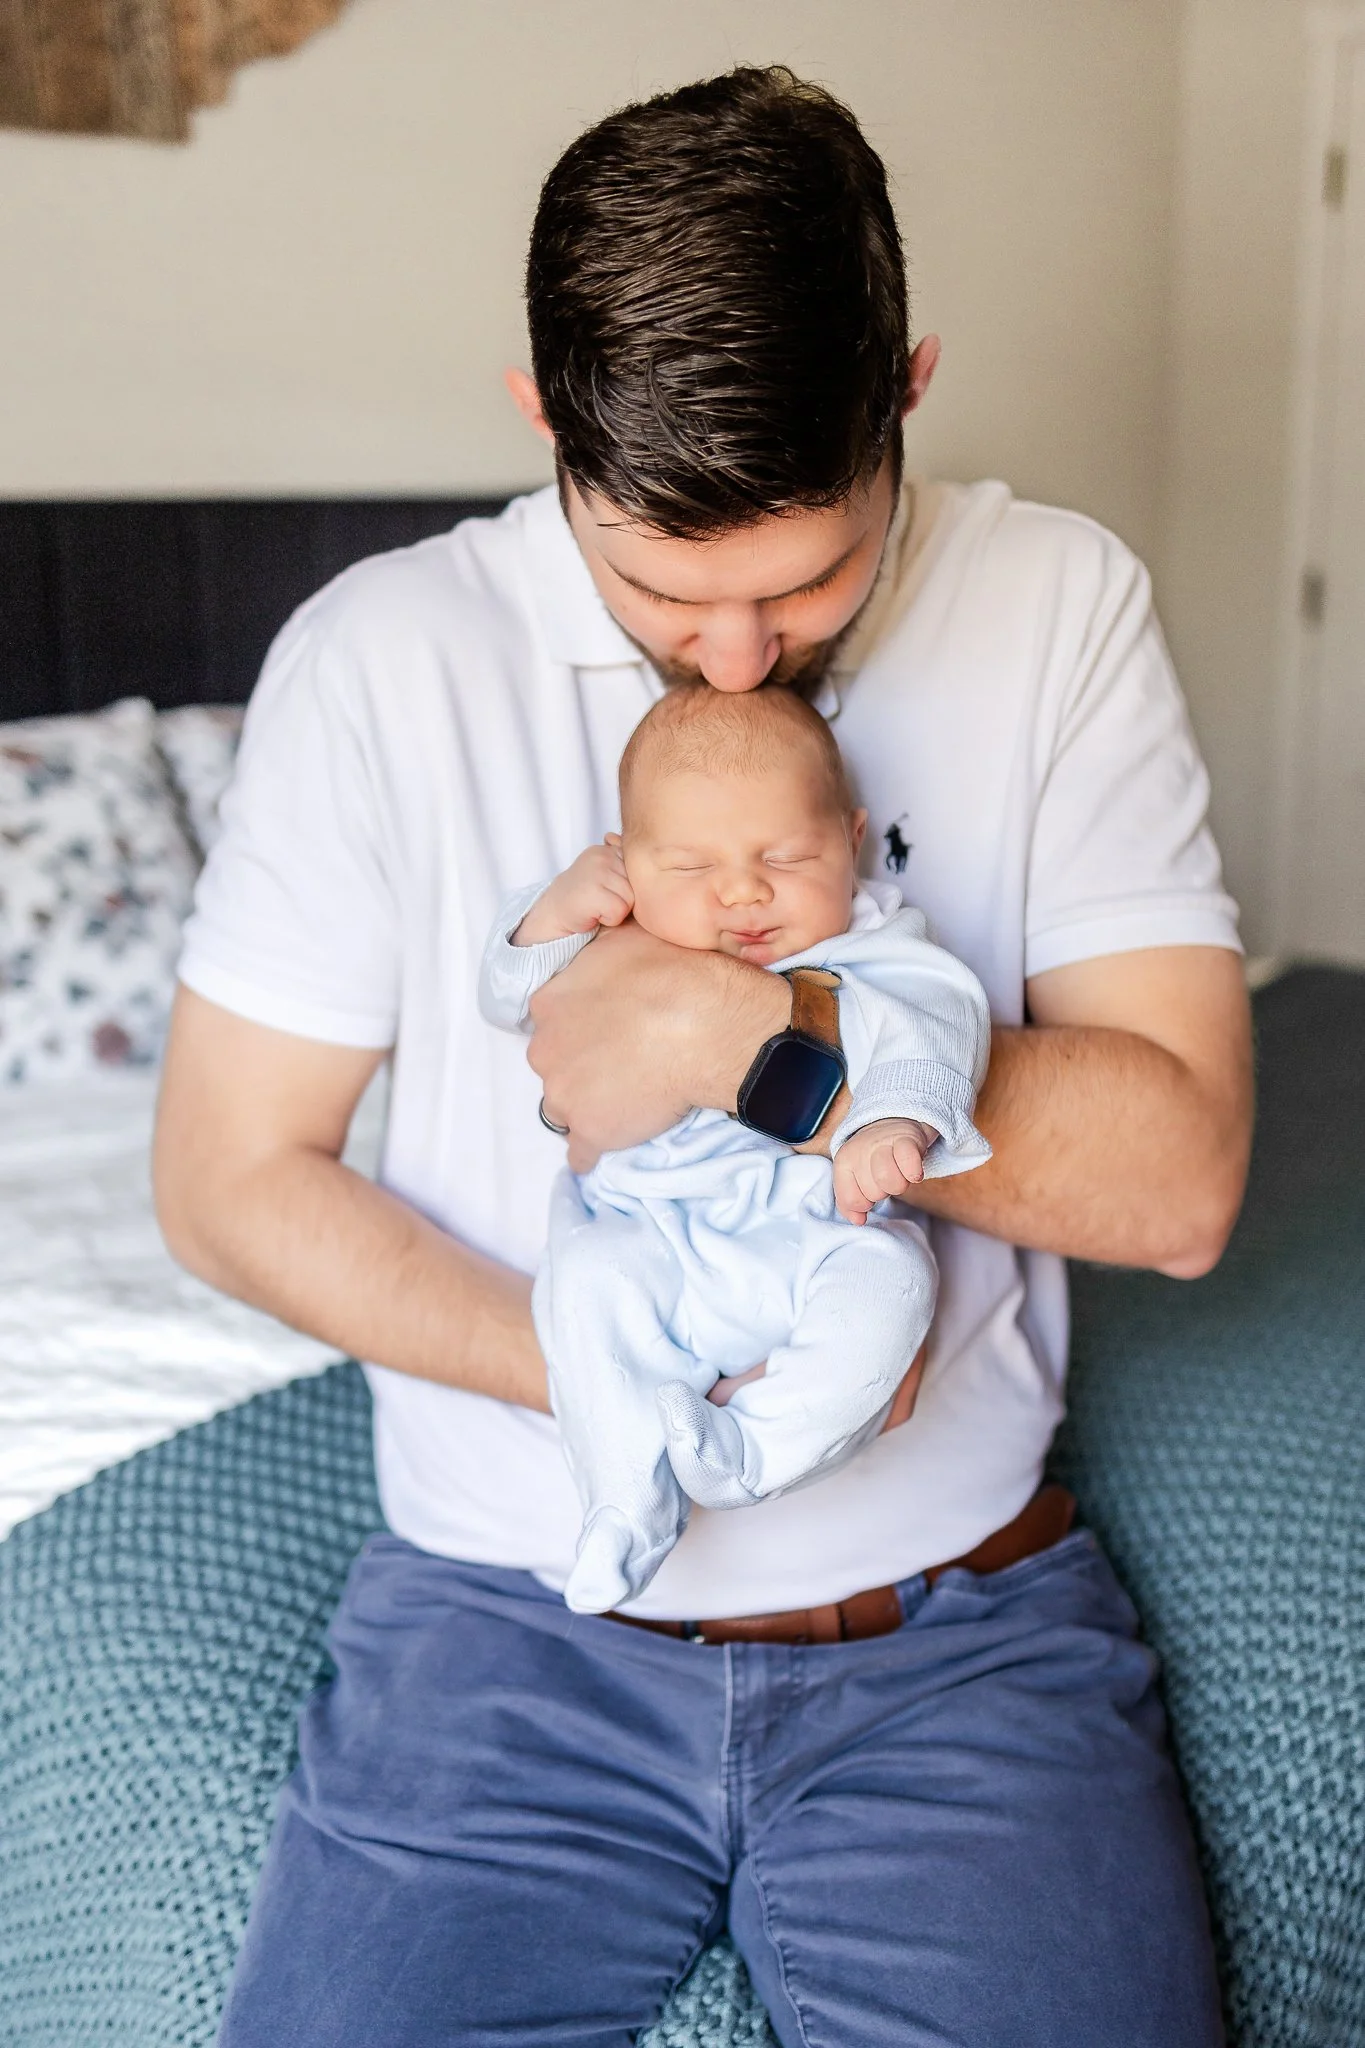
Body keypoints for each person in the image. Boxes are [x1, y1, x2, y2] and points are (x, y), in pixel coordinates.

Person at [154, 65, 1251, 2047]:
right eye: (662, 586)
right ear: (540, 426)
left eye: (806, 580)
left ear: (904, 386)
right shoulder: (380, 660)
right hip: (506, 1621)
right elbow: (227, 1175)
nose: (736, 658)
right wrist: (624, 1372)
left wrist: (735, 1033)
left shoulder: (1056, 602)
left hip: (958, 1633)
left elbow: (1175, 1184)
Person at [480, 682, 991, 1613]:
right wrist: (551, 914)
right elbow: (509, 995)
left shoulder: (878, 947)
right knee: (585, 1289)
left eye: (789, 855)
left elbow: (940, 1032)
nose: (743, 890)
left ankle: (752, 1456)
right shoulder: (606, 935)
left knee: (893, 1289)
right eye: (689, 867)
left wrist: (892, 1124)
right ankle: (623, 1507)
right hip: (652, 1236)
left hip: (813, 1234)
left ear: (850, 837)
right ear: (625, 863)